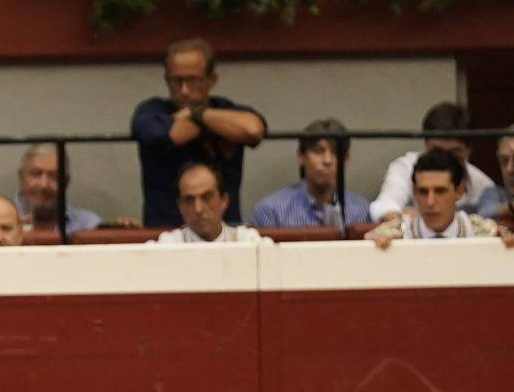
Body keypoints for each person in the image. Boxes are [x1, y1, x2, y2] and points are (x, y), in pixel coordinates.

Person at [130, 37, 266, 228]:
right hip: (166, 234)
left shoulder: (225, 108)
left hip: (224, 235)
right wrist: (214, 125)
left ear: (212, 80)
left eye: (193, 80)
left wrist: (196, 113)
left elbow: (252, 129)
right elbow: (174, 135)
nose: (184, 90)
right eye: (176, 81)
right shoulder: (152, 111)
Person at [367, 150, 514, 248]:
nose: (430, 202)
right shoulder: (392, 234)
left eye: (440, 191)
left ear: (459, 192)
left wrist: (508, 245)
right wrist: (371, 246)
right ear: (414, 192)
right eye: (423, 191)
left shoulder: (485, 232)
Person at [370, 102, 498, 220]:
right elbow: (384, 205)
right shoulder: (405, 168)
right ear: (425, 144)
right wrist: (400, 218)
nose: (444, 160)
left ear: (468, 150)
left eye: (453, 153)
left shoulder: (482, 183)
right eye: (437, 151)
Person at [250, 118, 372, 231]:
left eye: (336, 153)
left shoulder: (361, 210)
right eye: (318, 151)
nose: (327, 160)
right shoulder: (271, 211)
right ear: (301, 157)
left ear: (346, 160)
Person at [11, 143, 123, 235]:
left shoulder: (87, 224)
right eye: (35, 174)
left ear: (66, 182)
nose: (44, 184)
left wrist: (127, 230)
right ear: (21, 177)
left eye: (53, 176)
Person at [154, 161, 271, 244]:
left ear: (224, 201)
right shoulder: (168, 245)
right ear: (180, 207)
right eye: (189, 200)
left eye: (206, 197)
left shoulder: (247, 241)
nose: (198, 209)